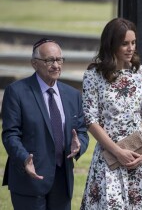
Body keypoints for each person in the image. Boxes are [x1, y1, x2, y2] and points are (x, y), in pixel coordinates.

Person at [80, 18, 142, 209]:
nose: (130, 48)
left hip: (139, 157)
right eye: (124, 43)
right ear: (111, 45)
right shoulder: (93, 76)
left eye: (133, 43)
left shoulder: (141, 73)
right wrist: (117, 152)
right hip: (109, 157)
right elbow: (90, 120)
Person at [1, 38, 89, 210]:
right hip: (30, 180)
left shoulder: (72, 95)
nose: (56, 65)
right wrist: (24, 158)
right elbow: (10, 134)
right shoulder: (17, 92)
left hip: (62, 182)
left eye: (59, 60)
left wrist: (79, 146)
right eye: (49, 60)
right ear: (34, 63)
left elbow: (82, 131)